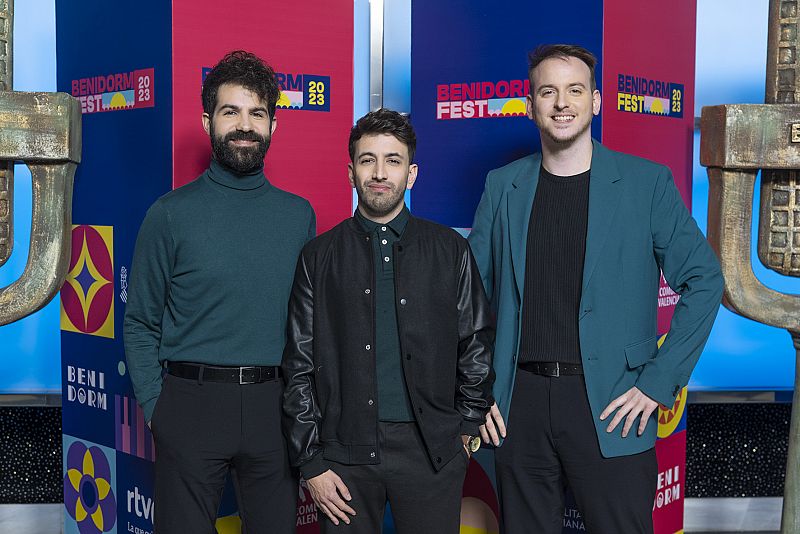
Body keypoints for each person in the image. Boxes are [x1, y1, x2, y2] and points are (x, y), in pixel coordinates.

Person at [468, 44, 723, 534]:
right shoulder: (502, 186)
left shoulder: (646, 184)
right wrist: (476, 389)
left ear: (597, 101)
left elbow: (705, 280)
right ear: (530, 105)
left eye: (575, 90)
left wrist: (657, 381)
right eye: (548, 91)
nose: (562, 102)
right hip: (518, 404)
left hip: (612, 403)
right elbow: (469, 299)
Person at [123, 50, 315, 533]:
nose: (244, 126)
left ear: (275, 124)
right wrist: (156, 409)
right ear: (208, 120)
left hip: (275, 406)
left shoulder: (299, 217)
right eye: (231, 112)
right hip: (190, 404)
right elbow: (141, 320)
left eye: (257, 113)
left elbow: (310, 323)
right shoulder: (168, 214)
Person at [281, 108, 495, 534]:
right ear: (351, 171)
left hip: (432, 450)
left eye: (393, 160)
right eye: (367, 160)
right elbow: (297, 364)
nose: (380, 172)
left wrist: (467, 430)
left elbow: (476, 342)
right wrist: (311, 461)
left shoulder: (450, 250)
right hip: (343, 456)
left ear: (411, 174)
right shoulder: (318, 257)